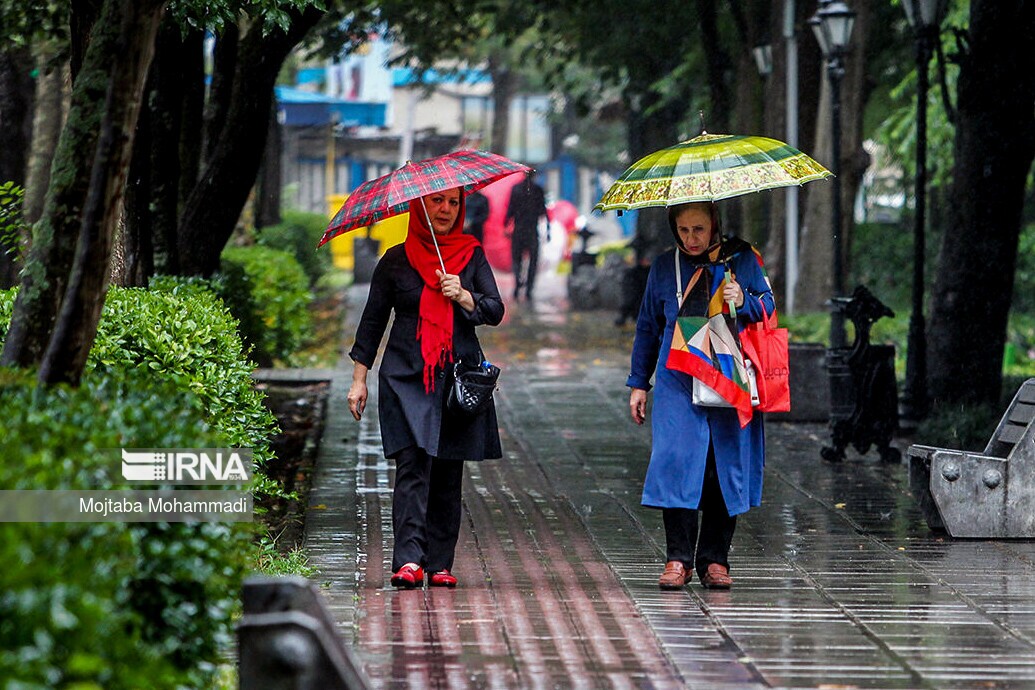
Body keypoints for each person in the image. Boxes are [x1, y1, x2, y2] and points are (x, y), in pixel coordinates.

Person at [347, 187, 505, 589]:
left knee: (449, 470)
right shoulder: (396, 260)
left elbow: (495, 310)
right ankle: (408, 561)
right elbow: (372, 322)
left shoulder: (471, 254)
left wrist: (465, 296)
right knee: (413, 465)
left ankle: (439, 564)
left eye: (453, 203)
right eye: (437, 202)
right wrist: (359, 379)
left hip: (455, 378)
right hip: (405, 376)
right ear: (420, 206)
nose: (446, 210)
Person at [626, 201, 774, 591]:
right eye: (684, 230)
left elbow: (768, 305)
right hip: (676, 378)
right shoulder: (664, 267)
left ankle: (715, 560)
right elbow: (647, 326)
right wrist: (639, 383)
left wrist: (744, 301)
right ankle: (677, 559)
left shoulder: (742, 259)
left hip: (729, 376)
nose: (692, 239)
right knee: (676, 460)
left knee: (722, 465)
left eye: (699, 229)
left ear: (714, 226)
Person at [504, 174, 548, 301]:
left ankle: (518, 284)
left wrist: (505, 225)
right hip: (532, 231)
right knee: (533, 261)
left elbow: (510, 210)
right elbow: (542, 211)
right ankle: (529, 289)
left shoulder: (515, 189)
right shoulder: (538, 190)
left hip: (518, 230)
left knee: (517, 260)